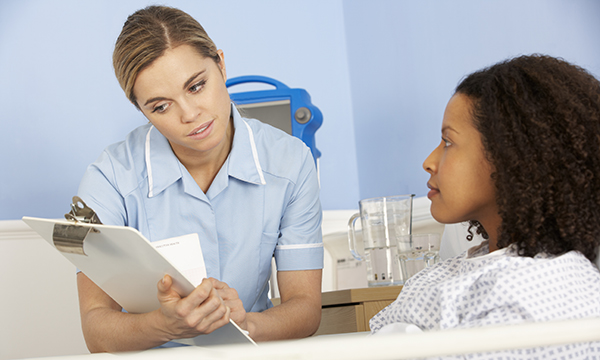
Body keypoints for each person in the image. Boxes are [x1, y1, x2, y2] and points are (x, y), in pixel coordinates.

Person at [76, 5, 323, 352]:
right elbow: (96, 329)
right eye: (161, 106)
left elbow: (306, 309)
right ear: (141, 109)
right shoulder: (110, 179)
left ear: (220, 64)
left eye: (196, 86)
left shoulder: (292, 164)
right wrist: (164, 325)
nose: (190, 115)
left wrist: (247, 323)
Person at [370, 55, 600, 358]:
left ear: (510, 159)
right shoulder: (472, 266)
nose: (429, 162)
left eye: (447, 142)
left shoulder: (535, 294)